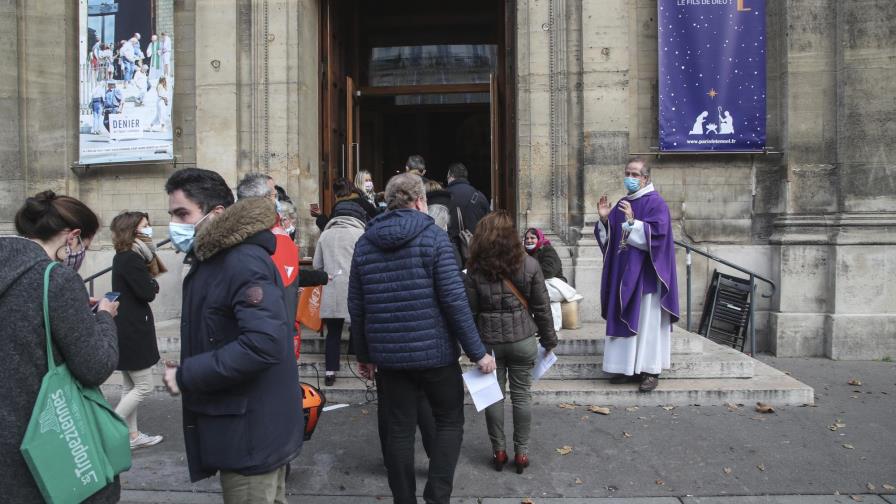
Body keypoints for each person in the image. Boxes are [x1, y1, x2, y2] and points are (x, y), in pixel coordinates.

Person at [348, 172, 495, 504]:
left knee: (398, 431)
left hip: (390, 358)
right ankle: (437, 494)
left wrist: (364, 354)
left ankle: (405, 500)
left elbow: (357, 305)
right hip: (435, 355)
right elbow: (455, 302)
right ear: (419, 201)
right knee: (449, 421)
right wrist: (478, 352)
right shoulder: (434, 239)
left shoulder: (366, 242)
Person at [162, 168, 303, 502]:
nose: (175, 224)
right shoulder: (215, 260)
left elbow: (263, 343)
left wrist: (187, 374)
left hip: (251, 435)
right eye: (172, 214)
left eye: (183, 214)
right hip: (246, 425)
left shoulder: (239, 261)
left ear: (217, 214)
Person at [0, 191, 120, 503]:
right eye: (86, 244)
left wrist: (73, 312)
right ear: (73, 237)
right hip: (46, 446)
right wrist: (104, 318)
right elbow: (95, 366)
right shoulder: (56, 280)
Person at [465, 211, 557, 474]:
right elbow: (542, 307)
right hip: (523, 339)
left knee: (493, 397)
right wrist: (549, 340)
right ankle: (522, 453)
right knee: (522, 396)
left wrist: (472, 349)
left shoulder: (474, 269)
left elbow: (469, 312)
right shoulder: (529, 265)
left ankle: (499, 451)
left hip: (489, 344)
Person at [594, 158, 680, 392]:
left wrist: (633, 222)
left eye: (635, 174)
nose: (630, 178)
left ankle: (650, 370)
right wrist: (604, 220)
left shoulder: (656, 203)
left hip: (646, 277)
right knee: (624, 317)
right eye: (627, 173)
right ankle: (626, 368)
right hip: (623, 273)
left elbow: (659, 237)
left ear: (645, 178)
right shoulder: (623, 202)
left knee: (647, 324)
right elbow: (611, 240)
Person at [110, 211, 166, 450]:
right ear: (132, 230)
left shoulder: (126, 256)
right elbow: (146, 292)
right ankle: (107, 428)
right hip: (132, 327)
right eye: (144, 225)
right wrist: (153, 284)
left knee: (130, 386)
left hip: (128, 325)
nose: (149, 229)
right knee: (144, 386)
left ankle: (132, 436)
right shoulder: (131, 258)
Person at [313, 211, 365, 386]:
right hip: (354, 288)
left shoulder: (326, 234)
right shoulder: (360, 234)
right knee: (358, 327)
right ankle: (360, 365)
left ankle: (330, 371)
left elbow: (317, 264)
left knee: (333, 333)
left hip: (332, 287)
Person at [524, 227, 582, 330]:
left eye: (532, 238)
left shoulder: (547, 250)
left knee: (537, 293)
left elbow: (549, 271)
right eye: (527, 238)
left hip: (555, 286)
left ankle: (546, 327)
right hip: (539, 285)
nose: (529, 241)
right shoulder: (525, 254)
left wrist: (529, 275)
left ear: (539, 239)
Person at [445, 162, 490, 258]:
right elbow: (489, 226)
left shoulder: (443, 197)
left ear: (450, 175)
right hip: (475, 253)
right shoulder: (479, 196)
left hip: (450, 253)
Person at [313, 177, 377, 231]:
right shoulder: (363, 202)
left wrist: (319, 216)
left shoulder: (338, 207)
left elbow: (328, 228)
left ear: (337, 193)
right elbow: (376, 219)